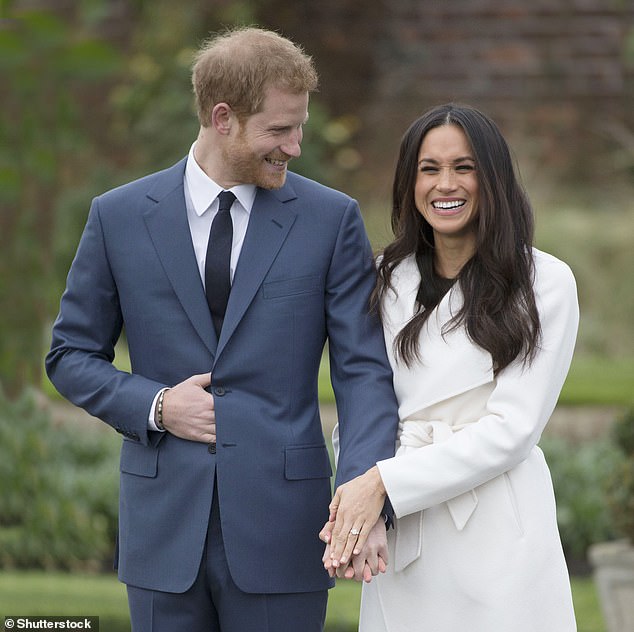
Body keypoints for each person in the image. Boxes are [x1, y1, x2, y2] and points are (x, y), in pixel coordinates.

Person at [46, 27, 398, 632]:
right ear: (223, 117)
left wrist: (362, 498)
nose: (295, 145)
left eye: (301, 127)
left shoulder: (331, 220)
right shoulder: (119, 217)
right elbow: (70, 354)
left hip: (285, 529)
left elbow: (364, 372)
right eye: (279, 130)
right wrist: (156, 404)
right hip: (162, 531)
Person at [320, 103, 579, 631]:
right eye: (429, 169)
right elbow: (364, 400)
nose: (445, 184)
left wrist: (384, 485)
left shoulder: (545, 283)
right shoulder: (382, 278)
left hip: (496, 531)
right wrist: (364, 504)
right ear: (409, 184)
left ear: (494, 179)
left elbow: (511, 431)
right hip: (402, 535)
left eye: (464, 167)